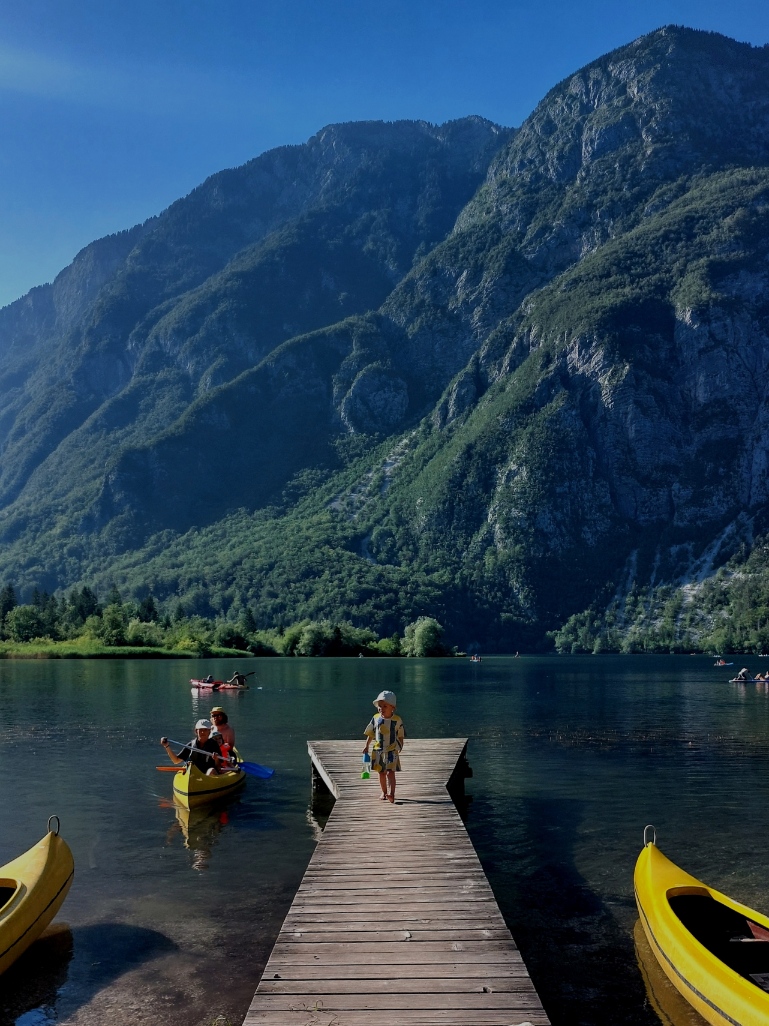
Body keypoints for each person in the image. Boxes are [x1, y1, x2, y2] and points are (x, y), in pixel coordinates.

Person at [363, 690, 405, 803]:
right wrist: (366, 745)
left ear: (393, 708)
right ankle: (384, 791)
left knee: (391, 772)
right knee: (381, 773)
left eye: (385, 706)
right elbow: (371, 733)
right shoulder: (376, 718)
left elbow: (401, 735)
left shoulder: (396, 720)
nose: (381, 708)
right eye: (380, 706)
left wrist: (400, 746)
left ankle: (392, 794)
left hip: (392, 750)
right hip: (378, 750)